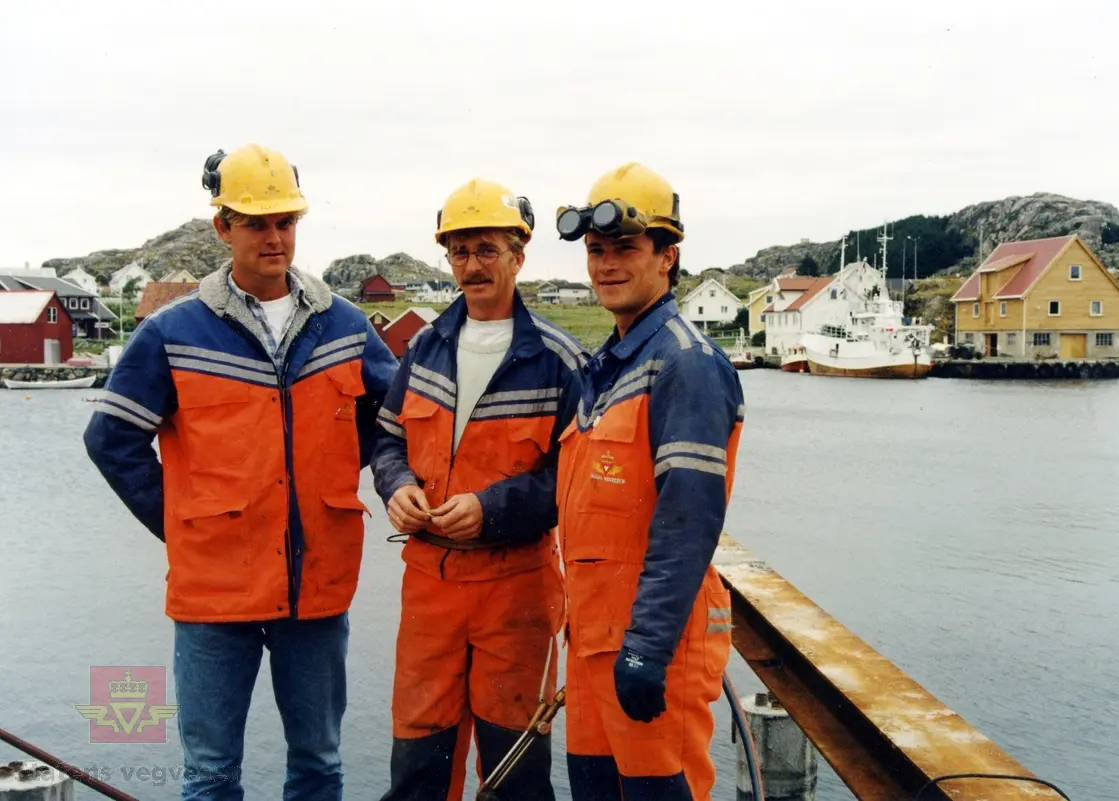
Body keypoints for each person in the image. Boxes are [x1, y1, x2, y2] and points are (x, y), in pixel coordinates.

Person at [82, 143, 397, 801]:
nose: (274, 237)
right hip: (212, 591)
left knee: (318, 763)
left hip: (316, 582)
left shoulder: (343, 324)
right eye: (256, 222)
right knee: (210, 772)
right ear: (222, 227)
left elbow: (393, 416)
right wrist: (182, 521)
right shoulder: (173, 331)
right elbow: (112, 437)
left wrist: (339, 467)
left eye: (285, 220)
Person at [371, 178, 585, 801]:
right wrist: (397, 485)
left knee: (514, 771)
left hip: (515, 589)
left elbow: (571, 482)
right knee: (416, 764)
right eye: (459, 251)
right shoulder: (423, 348)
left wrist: (490, 511)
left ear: (519, 255)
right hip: (430, 587)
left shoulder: (559, 359)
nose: (472, 265)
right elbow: (386, 441)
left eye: (487, 249)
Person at [552, 163, 744, 801]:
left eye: (626, 248)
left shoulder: (686, 364)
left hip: (652, 645)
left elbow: (688, 519)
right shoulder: (606, 368)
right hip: (593, 645)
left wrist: (649, 649)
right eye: (596, 251)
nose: (607, 264)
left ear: (668, 257)